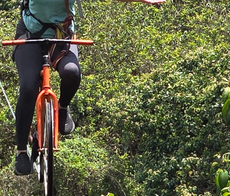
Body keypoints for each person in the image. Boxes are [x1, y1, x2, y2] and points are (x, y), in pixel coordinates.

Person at [13, 0, 165, 176]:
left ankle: (62, 107)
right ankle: (22, 151)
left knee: (72, 72)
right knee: (28, 87)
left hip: (61, 33)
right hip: (30, 32)